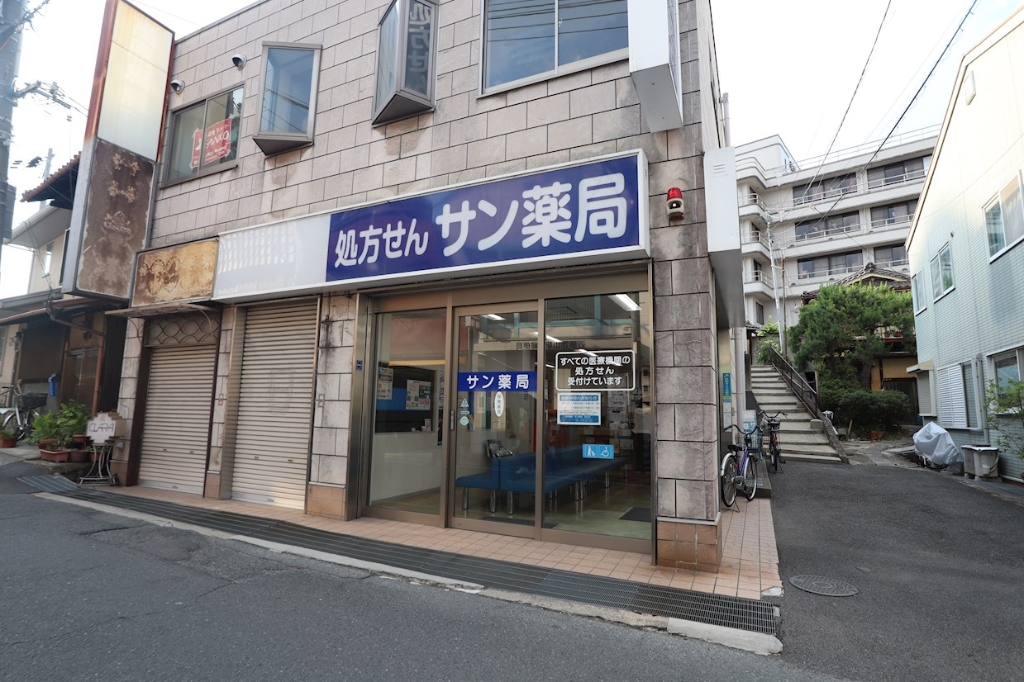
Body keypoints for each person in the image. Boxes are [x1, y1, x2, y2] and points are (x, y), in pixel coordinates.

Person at [632, 401, 651, 472]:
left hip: (638, 432)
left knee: (639, 451)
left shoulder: (636, 410)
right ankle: (648, 467)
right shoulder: (650, 410)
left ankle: (639, 467)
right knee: (648, 450)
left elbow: (635, 422)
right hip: (648, 432)